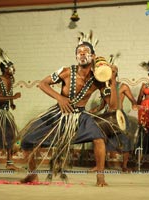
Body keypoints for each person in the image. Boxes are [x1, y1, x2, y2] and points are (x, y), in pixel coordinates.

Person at [20, 31, 108, 186]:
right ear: (76, 57)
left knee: (99, 139)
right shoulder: (66, 71)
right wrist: (59, 98)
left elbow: (112, 104)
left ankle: (100, 177)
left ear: (93, 56)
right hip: (59, 113)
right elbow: (42, 84)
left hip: (80, 116)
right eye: (79, 52)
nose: (82, 55)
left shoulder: (98, 79)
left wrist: (111, 79)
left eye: (86, 52)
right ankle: (32, 175)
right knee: (27, 139)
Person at [90, 56, 137, 172]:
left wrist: (136, 107)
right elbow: (103, 104)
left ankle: (124, 166)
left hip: (120, 115)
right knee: (99, 139)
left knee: (125, 139)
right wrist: (94, 110)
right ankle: (99, 165)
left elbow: (133, 101)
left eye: (114, 71)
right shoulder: (104, 87)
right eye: (110, 70)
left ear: (116, 73)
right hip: (107, 116)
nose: (112, 72)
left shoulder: (123, 86)